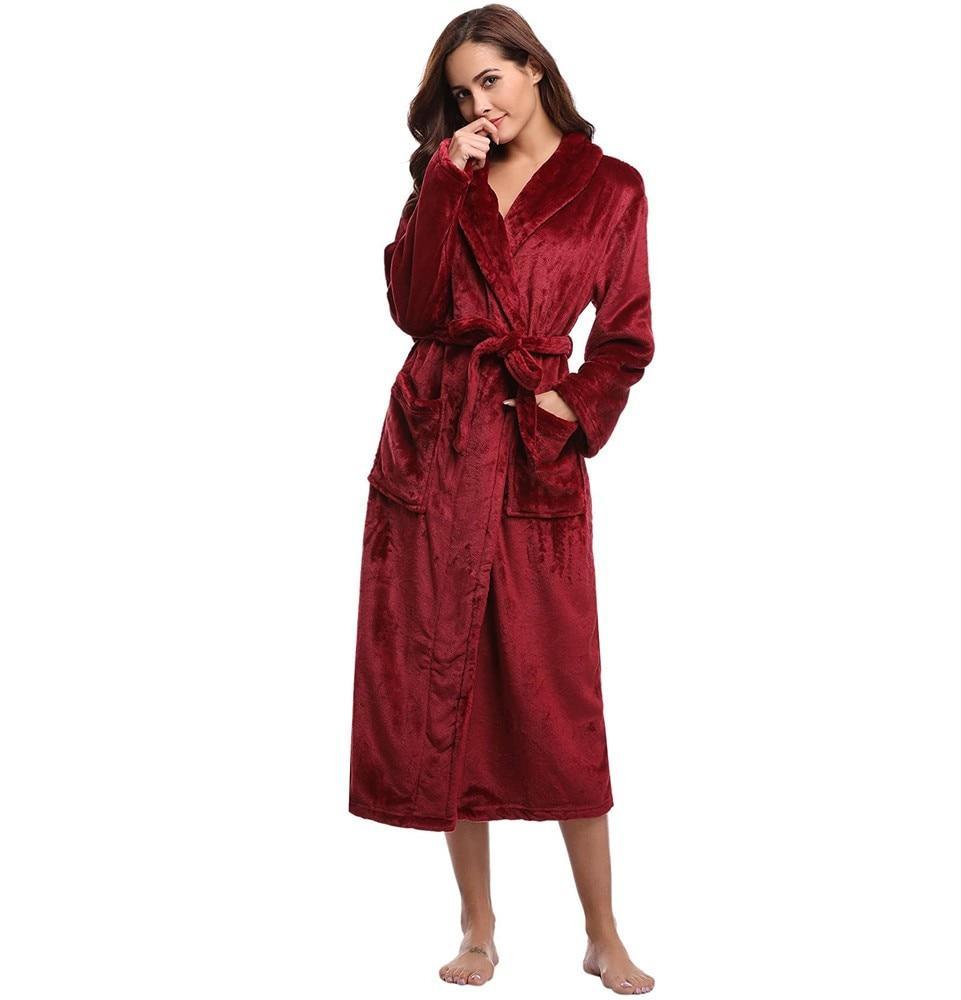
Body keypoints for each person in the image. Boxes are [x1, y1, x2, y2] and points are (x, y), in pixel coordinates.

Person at [349, 6, 655, 994]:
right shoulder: (448, 174)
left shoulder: (613, 187)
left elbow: (627, 336)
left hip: (531, 454)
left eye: (490, 79)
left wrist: (571, 405)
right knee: (451, 687)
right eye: (460, 91)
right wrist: (446, 177)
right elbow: (413, 308)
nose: (478, 103)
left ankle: (602, 931)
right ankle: (477, 927)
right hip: (435, 445)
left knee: (560, 697)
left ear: (534, 69)